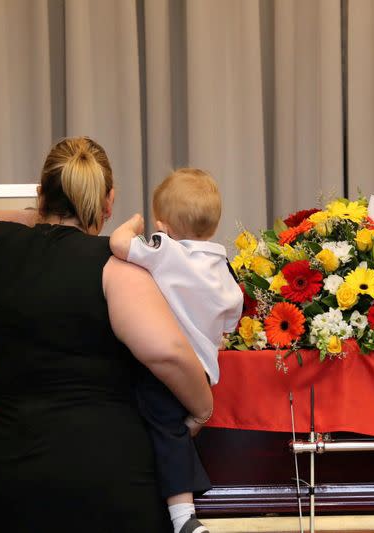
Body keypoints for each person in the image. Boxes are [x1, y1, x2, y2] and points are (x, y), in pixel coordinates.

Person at [0, 137, 213, 532]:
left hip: (10, 474)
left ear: (42, 194)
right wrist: (203, 406)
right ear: (109, 202)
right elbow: (168, 353)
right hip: (108, 476)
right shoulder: (117, 266)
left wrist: (30, 216)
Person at [109, 168, 243, 533]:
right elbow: (232, 318)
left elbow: (119, 245)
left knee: (164, 433)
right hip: (201, 375)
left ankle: (183, 517)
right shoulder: (223, 269)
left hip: (166, 370)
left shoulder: (166, 252)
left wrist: (134, 225)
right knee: (173, 429)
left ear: (164, 225)